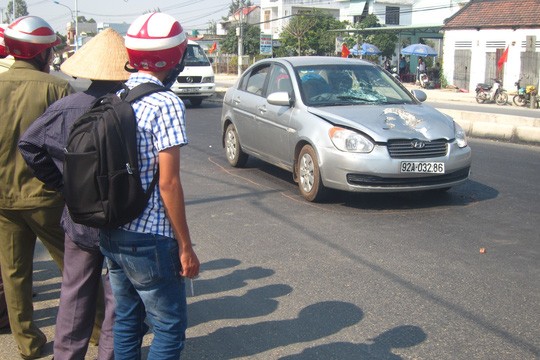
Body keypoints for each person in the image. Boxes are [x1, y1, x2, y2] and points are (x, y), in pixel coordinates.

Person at [18, 28, 131, 360]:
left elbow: (29, 144)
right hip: (121, 219)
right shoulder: (132, 109)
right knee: (116, 299)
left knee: (74, 295)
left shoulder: (67, 107)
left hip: (79, 219)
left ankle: (66, 356)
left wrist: (63, 184)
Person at [98, 12, 200, 359]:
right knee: (169, 329)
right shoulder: (166, 102)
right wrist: (185, 246)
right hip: (149, 239)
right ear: (174, 58)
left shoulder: (117, 95)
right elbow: (169, 184)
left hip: (112, 231)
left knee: (127, 320)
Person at [0, 16, 74, 359]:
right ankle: (98, 331)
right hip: (47, 199)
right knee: (75, 269)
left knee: (14, 273)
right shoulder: (56, 88)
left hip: (3, 199)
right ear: (43, 53)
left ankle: (28, 344)